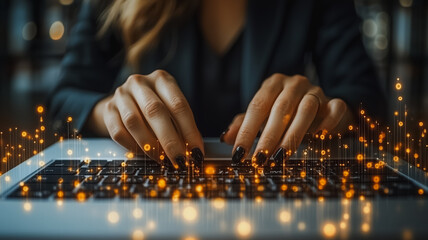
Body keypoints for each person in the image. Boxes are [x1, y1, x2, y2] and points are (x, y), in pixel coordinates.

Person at [48, 0, 386, 169]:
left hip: (274, 177)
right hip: (154, 176)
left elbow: (367, 101)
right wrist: (111, 111)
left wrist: (329, 112)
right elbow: (64, 98)